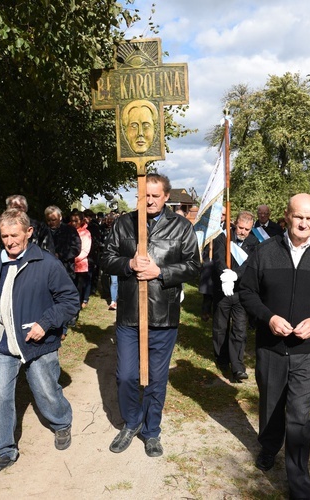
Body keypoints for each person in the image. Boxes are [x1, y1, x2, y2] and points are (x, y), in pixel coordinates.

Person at [239, 193, 310, 499]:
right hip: (271, 347)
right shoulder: (264, 250)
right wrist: (268, 317)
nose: (304, 223)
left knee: (299, 415)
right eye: (298, 216)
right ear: (287, 216)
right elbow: (247, 292)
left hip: (309, 351)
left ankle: (299, 480)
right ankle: (269, 447)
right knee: (271, 404)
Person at [0, 208, 80, 480]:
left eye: (14, 235)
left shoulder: (46, 264)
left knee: (45, 389)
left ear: (29, 233)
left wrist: (45, 323)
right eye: (4, 235)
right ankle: (1, 452)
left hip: (38, 343)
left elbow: (70, 301)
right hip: (2, 345)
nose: (9, 241)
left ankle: (61, 421)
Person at [100, 173, 200, 457]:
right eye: (145, 195)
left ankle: (152, 431)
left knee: (156, 378)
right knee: (127, 376)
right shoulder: (124, 223)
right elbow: (105, 259)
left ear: (167, 197)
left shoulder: (180, 227)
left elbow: (194, 266)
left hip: (163, 314)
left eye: (156, 196)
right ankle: (132, 422)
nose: (150, 201)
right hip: (130, 314)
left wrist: (162, 272)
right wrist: (128, 263)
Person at [212, 210, 259, 382]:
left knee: (239, 329)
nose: (243, 232)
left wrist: (235, 275)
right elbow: (218, 258)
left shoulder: (254, 242)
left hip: (241, 292)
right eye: (240, 228)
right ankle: (221, 358)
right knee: (220, 327)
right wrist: (225, 275)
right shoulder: (223, 238)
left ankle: (237, 366)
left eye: (247, 229)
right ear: (235, 224)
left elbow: (249, 264)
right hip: (223, 290)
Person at [44, 205, 81, 281]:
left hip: (66, 269)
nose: (51, 222)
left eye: (53, 220)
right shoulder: (43, 231)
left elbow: (76, 248)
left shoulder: (70, 230)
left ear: (60, 217)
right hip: (47, 269)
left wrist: (60, 255)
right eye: (48, 220)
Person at [70, 211, 93, 309]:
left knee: (78, 290)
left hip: (80, 266)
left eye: (76, 221)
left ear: (81, 221)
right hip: (68, 266)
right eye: (72, 221)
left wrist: (72, 259)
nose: (74, 223)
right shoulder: (68, 230)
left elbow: (85, 251)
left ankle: (76, 310)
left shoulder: (86, 233)